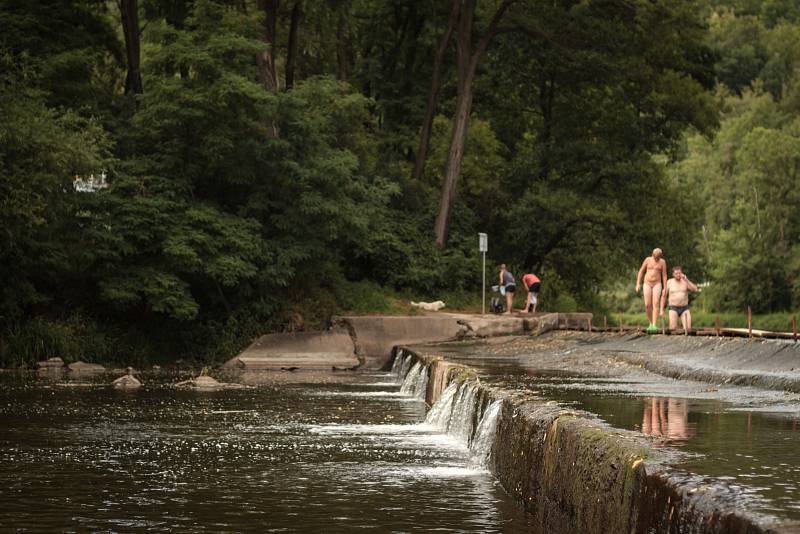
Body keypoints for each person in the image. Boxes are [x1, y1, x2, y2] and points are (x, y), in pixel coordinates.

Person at [635, 248, 667, 333]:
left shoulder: (662, 262)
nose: (656, 259)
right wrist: (638, 283)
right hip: (647, 283)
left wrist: (665, 288)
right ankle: (650, 323)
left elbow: (664, 275)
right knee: (647, 304)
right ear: (652, 255)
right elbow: (641, 271)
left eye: (658, 257)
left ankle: (654, 324)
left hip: (657, 283)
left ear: (660, 256)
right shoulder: (648, 260)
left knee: (656, 302)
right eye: (655, 257)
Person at [662, 265, 699, 334]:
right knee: (673, 328)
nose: (678, 275)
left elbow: (695, 289)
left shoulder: (685, 281)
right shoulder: (669, 282)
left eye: (679, 273)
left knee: (688, 329)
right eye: (676, 273)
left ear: (682, 273)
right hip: (673, 308)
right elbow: (664, 296)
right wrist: (662, 309)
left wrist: (686, 279)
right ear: (673, 274)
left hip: (684, 308)